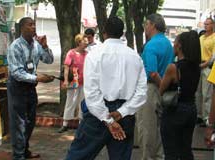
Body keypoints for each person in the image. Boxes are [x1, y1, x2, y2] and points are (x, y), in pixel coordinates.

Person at [65, 16, 147, 160]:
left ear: (104, 32)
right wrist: (121, 112)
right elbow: (141, 93)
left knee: (78, 156)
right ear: (122, 33)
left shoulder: (95, 55)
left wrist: (108, 119)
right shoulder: (135, 57)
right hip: (124, 114)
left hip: (98, 114)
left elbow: (91, 93)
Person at [7, 17, 54, 160]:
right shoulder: (15, 46)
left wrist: (45, 46)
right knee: (19, 124)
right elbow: (16, 73)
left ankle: (25, 150)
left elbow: (49, 60)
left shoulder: (36, 45)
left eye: (34, 25)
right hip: (17, 88)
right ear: (22, 28)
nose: (34, 27)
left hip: (30, 88)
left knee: (30, 121)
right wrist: (37, 78)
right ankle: (18, 155)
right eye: (30, 25)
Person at [136, 13, 174, 160]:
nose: (145, 27)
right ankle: (159, 156)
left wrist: (160, 87)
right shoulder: (168, 44)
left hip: (151, 89)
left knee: (146, 128)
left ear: (152, 25)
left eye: (146, 24)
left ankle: (147, 157)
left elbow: (152, 73)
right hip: (162, 89)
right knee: (158, 128)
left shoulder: (151, 45)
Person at [160, 30, 201, 160]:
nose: (173, 46)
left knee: (171, 151)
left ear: (180, 46)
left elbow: (161, 89)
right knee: (186, 151)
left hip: (175, 110)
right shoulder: (197, 67)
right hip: (191, 109)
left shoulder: (173, 68)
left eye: (175, 43)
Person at [58, 33, 88, 133]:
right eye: (85, 40)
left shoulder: (87, 54)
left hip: (84, 81)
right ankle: (65, 123)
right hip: (74, 78)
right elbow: (66, 67)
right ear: (79, 42)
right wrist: (66, 80)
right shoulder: (71, 53)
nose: (87, 42)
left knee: (82, 102)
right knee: (70, 100)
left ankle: (81, 124)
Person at [196, 18, 215, 125]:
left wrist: (203, 65)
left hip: (207, 68)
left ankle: (207, 118)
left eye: (208, 24)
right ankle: (199, 115)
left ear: (213, 25)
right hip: (199, 66)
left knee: (207, 94)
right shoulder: (201, 38)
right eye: (205, 24)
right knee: (198, 93)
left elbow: (213, 56)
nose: (206, 26)